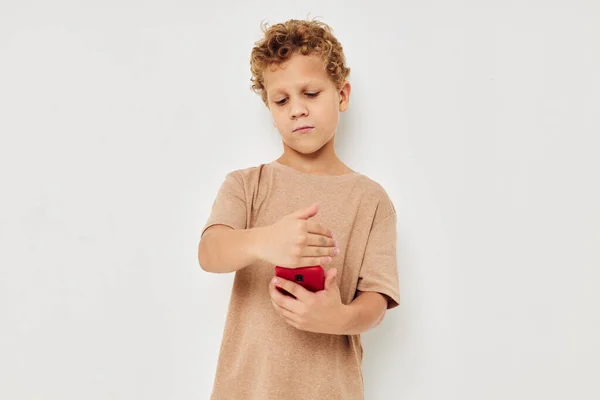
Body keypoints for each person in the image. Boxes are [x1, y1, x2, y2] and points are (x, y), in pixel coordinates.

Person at [197, 18, 400, 400]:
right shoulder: (246, 184)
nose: (297, 110)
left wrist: (339, 318)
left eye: (310, 93)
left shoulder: (371, 199)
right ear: (270, 110)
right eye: (282, 100)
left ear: (341, 95)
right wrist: (264, 241)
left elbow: (377, 299)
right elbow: (209, 253)